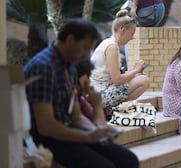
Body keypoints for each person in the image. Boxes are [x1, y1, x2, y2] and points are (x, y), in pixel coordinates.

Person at [24, 19, 139, 168]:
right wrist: (86, 136)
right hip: (47, 139)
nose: (86, 55)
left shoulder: (70, 67)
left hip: (70, 132)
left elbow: (76, 116)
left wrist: (98, 132)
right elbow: (46, 126)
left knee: (128, 160)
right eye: (85, 48)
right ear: (70, 39)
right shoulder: (43, 67)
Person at [90, 10, 150, 115]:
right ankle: (113, 110)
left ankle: (113, 109)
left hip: (101, 91)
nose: (131, 38)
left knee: (140, 76)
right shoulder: (112, 47)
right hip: (99, 95)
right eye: (131, 34)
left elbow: (115, 78)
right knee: (144, 80)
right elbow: (117, 80)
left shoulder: (109, 43)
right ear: (122, 30)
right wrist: (135, 70)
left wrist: (134, 72)